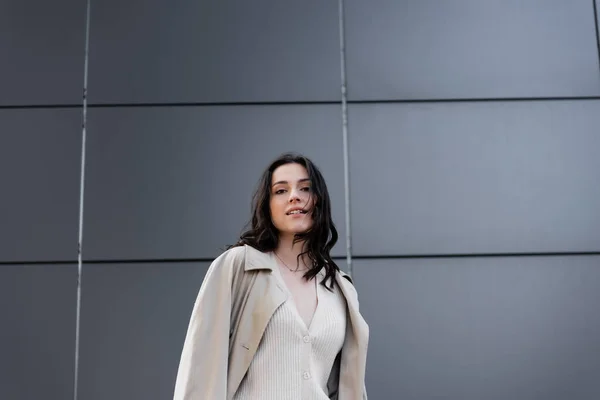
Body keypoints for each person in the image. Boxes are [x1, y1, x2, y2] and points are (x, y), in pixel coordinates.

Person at [173, 152, 369, 400]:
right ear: (267, 205)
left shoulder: (340, 287)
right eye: (281, 191)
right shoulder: (239, 266)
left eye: (305, 188)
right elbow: (200, 368)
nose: (294, 196)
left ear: (318, 200)